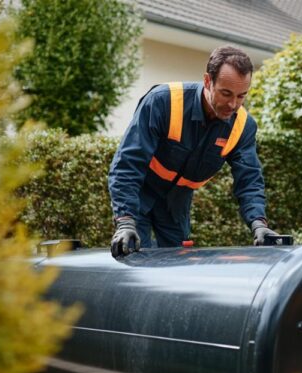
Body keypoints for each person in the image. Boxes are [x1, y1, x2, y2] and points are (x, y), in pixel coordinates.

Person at [108, 45, 276, 258]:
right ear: (208, 81)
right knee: (134, 259)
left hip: (176, 206)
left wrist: (258, 224)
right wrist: (125, 221)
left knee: (177, 267)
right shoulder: (163, 102)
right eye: (226, 93)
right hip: (138, 197)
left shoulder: (242, 126)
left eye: (241, 96)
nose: (233, 104)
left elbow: (249, 179)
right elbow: (127, 164)